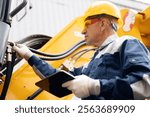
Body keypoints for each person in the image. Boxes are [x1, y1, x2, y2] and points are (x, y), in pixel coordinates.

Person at [12, 1, 150, 100]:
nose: (83, 30)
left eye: (87, 24)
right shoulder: (92, 62)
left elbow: (144, 84)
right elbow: (58, 80)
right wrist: (29, 55)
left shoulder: (127, 43)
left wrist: (95, 86)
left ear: (102, 24)